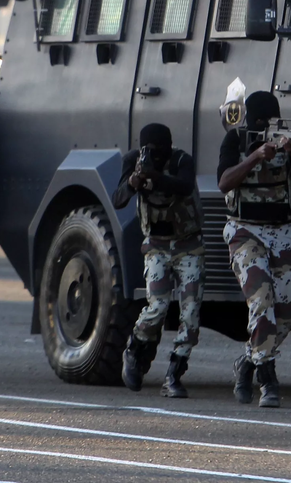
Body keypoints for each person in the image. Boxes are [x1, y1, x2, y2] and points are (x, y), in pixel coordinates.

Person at [217, 91, 291, 408]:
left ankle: (247, 362)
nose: (264, 125)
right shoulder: (236, 139)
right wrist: (255, 156)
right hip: (245, 230)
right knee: (261, 303)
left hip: (283, 231)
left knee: (285, 315)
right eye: (259, 120)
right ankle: (268, 379)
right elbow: (224, 182)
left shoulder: (290, 134)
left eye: (268, 120)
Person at [113, 123, 203, 398]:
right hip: (155, 246)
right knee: (158, 307)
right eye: (149, 151)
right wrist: (133, 182)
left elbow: (185, 186)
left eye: (158, 151)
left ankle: (174, 374)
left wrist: (155, 177)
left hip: (188, 245)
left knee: (190, 315)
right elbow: (118, 199)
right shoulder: (133, 161)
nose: (154, 155)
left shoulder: (180, 160)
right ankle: (135, 348)